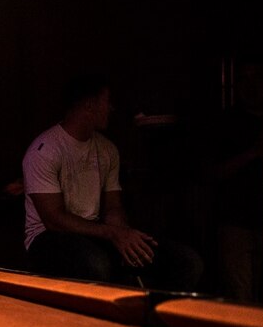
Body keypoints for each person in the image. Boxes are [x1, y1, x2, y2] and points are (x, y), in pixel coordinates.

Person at [21, 73, 203, 290]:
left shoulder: (107, 149)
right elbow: (54, 219)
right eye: (107, 101)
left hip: (95, 232)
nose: (111, 108)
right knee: (97, 264)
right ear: (89, 105)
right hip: (47, 237)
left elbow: (113, 206)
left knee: (187, 262)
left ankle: (155, 318)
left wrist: (125, 237)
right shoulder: (44, 150)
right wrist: (113, 234)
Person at [209, 61, 263, 302]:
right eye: (243, 79)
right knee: (240, 298)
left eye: (257, 77)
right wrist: (253, 152)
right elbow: (211, 173)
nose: (250, 86)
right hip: (236, 223)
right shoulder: (225, 123)